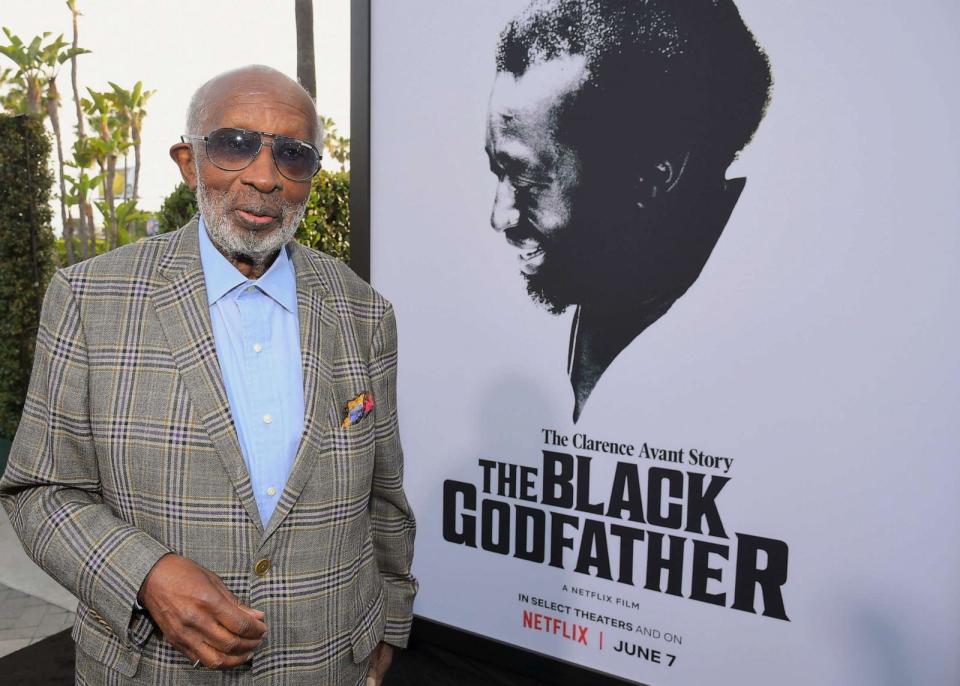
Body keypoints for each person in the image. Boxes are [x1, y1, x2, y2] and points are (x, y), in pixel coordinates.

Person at [0, 65, 416, 685]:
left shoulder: (364, 311)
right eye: (234, 144)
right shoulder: (91, 298)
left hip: (330, 665)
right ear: (189, 162)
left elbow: (385, 498)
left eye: (293, 155)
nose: (264, 175)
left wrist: (388, 629)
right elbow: (40, 492)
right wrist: (145, 572)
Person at [485, 0, 773, 422]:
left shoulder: (751, 353)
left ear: (650, 180)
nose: (500, 217)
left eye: (525, 180)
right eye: (497, 171)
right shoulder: (600, 289)